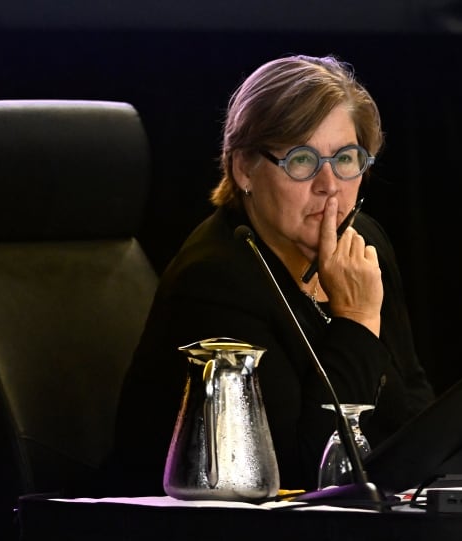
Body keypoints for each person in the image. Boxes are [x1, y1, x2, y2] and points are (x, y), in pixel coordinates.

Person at [111, 54, 436, 495]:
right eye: (302, 160)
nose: (330, 185)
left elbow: (411, 406)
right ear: (245, 168)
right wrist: (356, 322)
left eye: (346, 158)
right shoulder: (214, 280)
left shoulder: (363, 243)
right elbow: (296, 473)